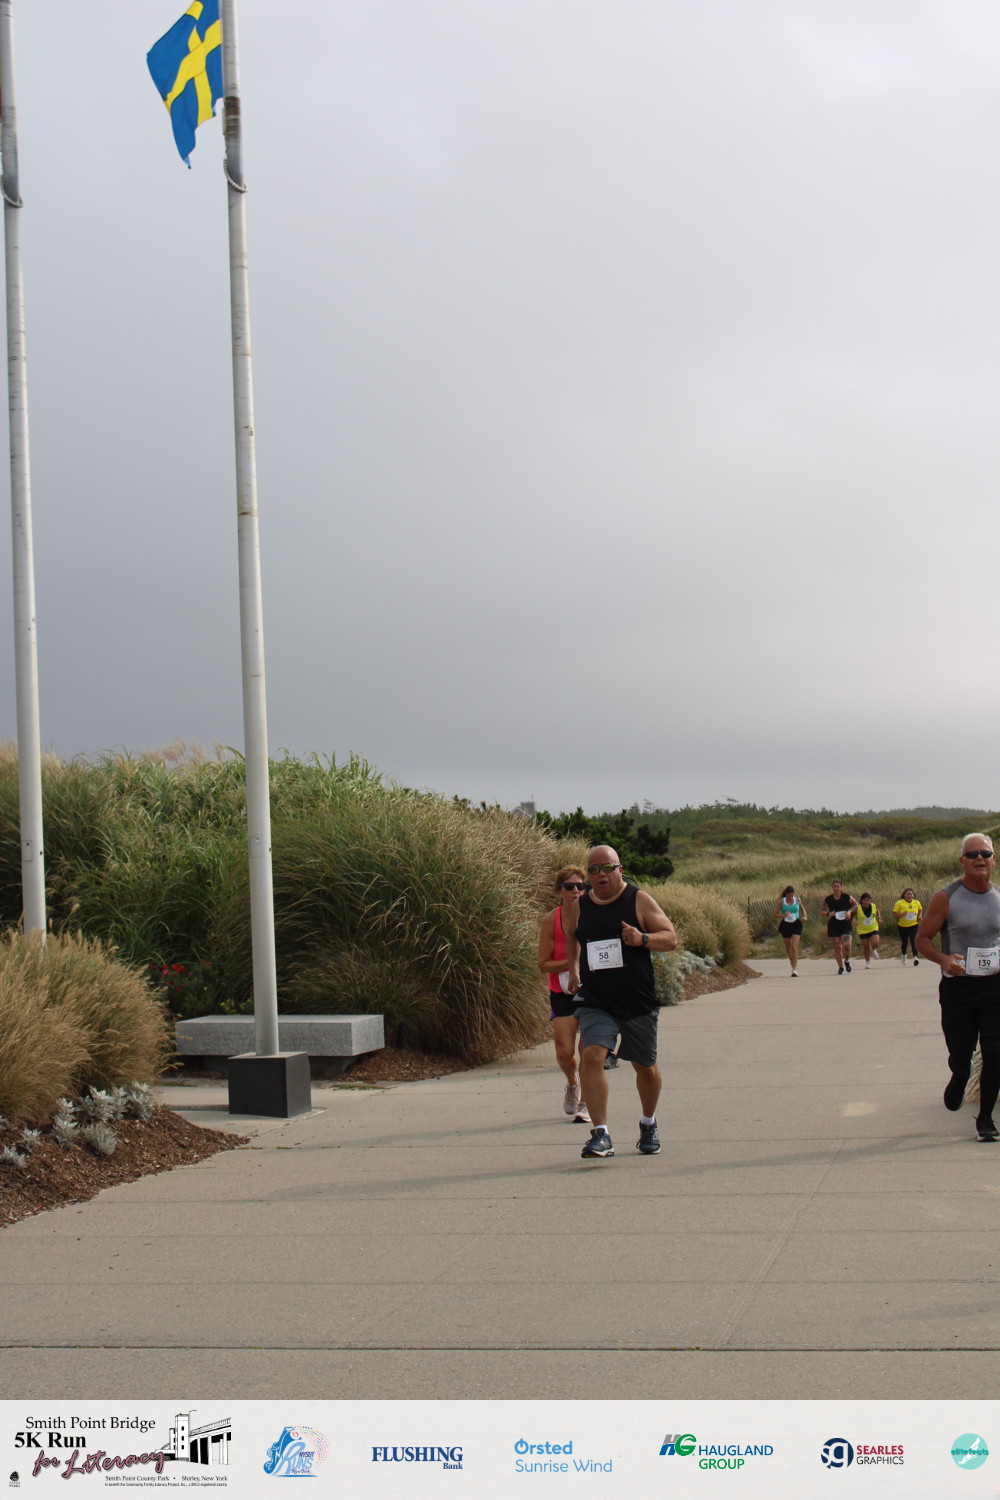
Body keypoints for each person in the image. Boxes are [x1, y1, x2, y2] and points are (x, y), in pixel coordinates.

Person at [563, 845, 678, 1159]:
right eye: (594, 870)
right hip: (597, 998)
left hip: (636, 999)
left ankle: (648, 1123)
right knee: (591, 1055)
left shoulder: (637, 899)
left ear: (620, 870)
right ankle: (601, 1134)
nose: (601, 874)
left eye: (608, 868)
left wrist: (643, 938)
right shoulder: (581, 905)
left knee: (646, 1068)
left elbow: (670, 937)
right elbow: (572, 934)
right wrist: (574, 969)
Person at [916, 834, 1000, 1142]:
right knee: (960, 1051)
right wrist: (943, 959)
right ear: (962, 861)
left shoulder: (999, 897)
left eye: (985, 854)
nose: (979, 858)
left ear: (993, 860)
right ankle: (960, 1073)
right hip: (958, 989)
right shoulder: (946, 897)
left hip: (994, 986)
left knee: (995, 1051)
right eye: (972, 854)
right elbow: (922, 939)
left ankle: (986, 1118)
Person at [537, 866, 590, 1123]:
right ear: (559, 891)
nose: (576, 891)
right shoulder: (551, 920)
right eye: (570, 887)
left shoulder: (594, 915)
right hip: (562, 991)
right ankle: (573, 1082)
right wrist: (572, 964)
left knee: (588, 1050)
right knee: (564, 1052)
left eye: (581, 886)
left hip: (592, 991)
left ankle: (586, 1102)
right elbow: (543, 964)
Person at [820, 880, 858, 974]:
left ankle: (846, 961)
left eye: (838, 886)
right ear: (832, 888)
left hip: (845, 924)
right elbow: (821, 911)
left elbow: (856, 905)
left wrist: (849, 911)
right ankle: (840, 967)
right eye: (834, 886)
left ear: (841, 887)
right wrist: (828, 913)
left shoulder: (847, 897)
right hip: (834, 925)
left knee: (847, 946)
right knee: (837, 946)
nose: (836, 888)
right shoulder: (828, 899)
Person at [773, 885, 807, 977]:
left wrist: (804, 916)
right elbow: (775, 914)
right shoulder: (781, 902)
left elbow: (803, 909)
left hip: (796, 924)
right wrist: (784, 915)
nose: (791, 897)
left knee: (794, 946)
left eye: (792, 895)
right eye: (789, 895)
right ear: (786, 894)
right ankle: (792, 962)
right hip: (785, 925)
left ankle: (794, 970)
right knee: (788, 948)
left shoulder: (798, 900)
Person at [893, 887, 923, 966]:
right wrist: (902, 914)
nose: (909, 895)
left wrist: (920, 916)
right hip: (902, 926)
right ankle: (904, 955)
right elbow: (895, 914)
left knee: (913, 940)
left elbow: (920, 910)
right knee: (904, 942)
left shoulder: (916, 902)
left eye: (910, 894)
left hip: (913, 925)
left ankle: (915, 957)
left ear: (913, 895)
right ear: (904, 895)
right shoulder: (899, 903)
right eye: (907, 894)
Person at [856, 893, 880, 968]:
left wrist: (879, 918)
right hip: (862, 930)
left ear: (870, 900)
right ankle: (868, 962)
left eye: (868, 900)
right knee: (866, 946)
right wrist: (853, 921)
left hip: (873, 927)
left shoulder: (873, 905)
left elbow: (877, 911)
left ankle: (873, 949)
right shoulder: (858, 908)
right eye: (865, 900)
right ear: (861, 901)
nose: (867, 902)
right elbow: (852, 915)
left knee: (875, 943)